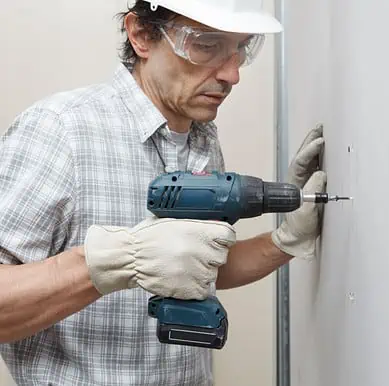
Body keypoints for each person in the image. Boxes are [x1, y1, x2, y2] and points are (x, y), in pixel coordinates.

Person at [0, 1, 326, 384]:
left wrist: (285, 239)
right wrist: (117, 260)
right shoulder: (60, 131)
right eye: (207, 45)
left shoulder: (203, 141)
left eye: (241, 48)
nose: (233, 73)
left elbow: (201, 268)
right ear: (140, 34)